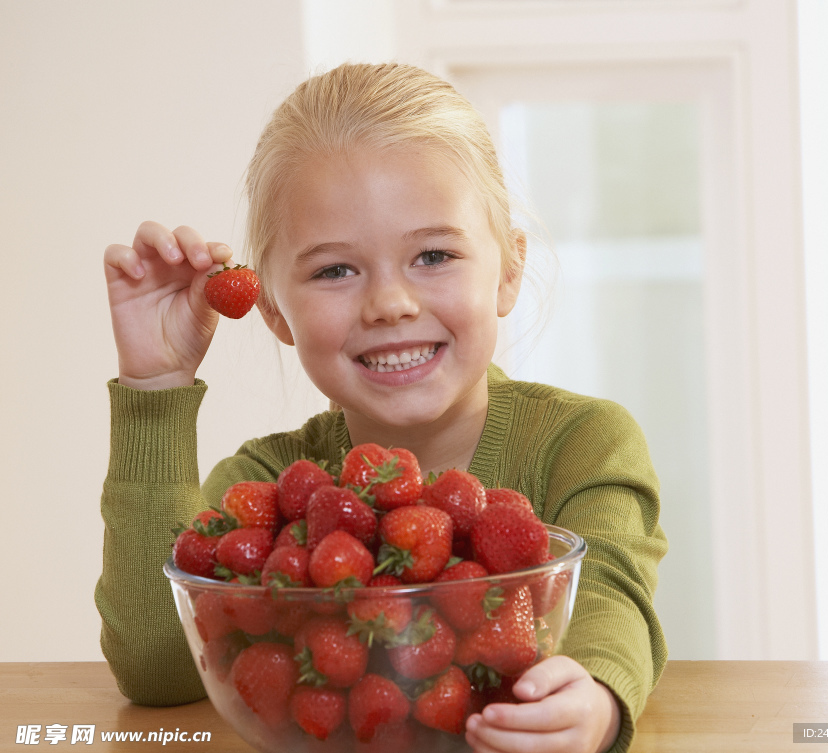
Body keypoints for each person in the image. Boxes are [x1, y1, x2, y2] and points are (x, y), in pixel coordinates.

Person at [97, 62, 667, 753]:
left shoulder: (585, 442)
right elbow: (163, 669)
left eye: (433, 254)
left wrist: (595, 699)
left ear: (508, 271)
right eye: (335, 269)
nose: (390, 303)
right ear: (274, 308)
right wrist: (156, 388)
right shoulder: (270, 485)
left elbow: (608, 600)